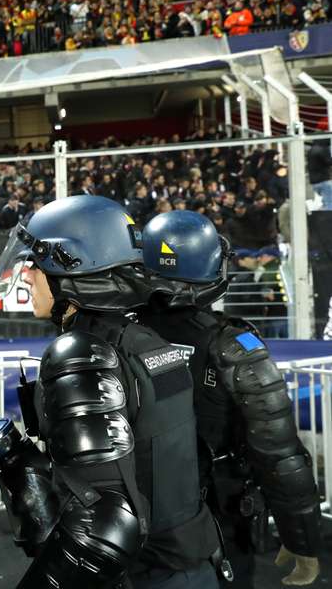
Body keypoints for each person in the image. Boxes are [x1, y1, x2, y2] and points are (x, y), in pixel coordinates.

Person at [0, 195, 221, 589]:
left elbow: (104, 527)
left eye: (35, 264)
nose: (26, 275)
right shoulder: (146, 342)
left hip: (138, 574)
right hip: (188, 563)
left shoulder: (82, 352)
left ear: (70, 267)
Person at [137, 211, 323, 588]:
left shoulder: (115, 336)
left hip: (134, 523)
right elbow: (279, 455)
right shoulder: (235, 346)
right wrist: (300, 537)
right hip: (217, 523)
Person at [307, 131, 332, 210]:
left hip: (314, 181)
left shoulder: (312, 150)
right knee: (329, 203)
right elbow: (329, 161)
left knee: (324, 203)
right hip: (324, 180)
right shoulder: (322, 149)